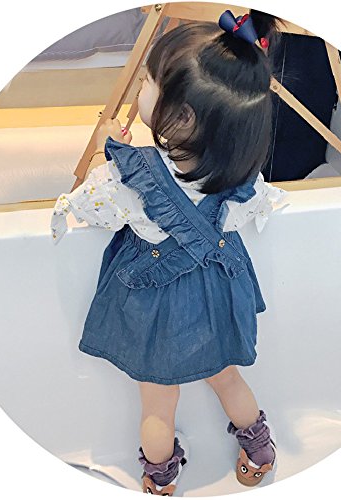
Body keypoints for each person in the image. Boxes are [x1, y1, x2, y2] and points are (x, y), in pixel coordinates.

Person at [51, 10, 288, 496]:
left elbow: (90, 207)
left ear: (181, 117)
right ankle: (260, 448)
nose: (141, 87)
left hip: (157, 309)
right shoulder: (244, 175)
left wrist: (102, 151)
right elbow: (258, 208)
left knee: (158, 406)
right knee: (228, 379)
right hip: (218, 296)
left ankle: (160, 478)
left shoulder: (128, 177)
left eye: (148, 82)